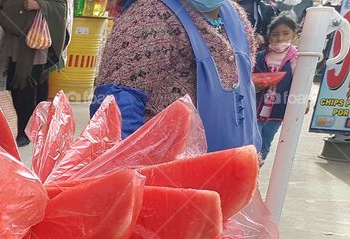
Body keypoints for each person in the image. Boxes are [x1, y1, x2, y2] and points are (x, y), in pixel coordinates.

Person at [93, 0, 259, 151]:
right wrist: (130, 170)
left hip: (233, 167)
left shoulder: (236, 16)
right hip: (169, 172)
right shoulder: (149, 16)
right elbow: (115, 106)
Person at [0, 0, 70, 146]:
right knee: (16, 84)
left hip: (37, 41)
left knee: (30, 85)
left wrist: (40, 4)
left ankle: (26, 131)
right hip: (17, 37)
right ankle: (20, 128)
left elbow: (61, 6)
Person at [255, 13, 298, 160]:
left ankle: (257, 170)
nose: (280, 38)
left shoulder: (297, 59)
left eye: (286, 33)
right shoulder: (260, 57)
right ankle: (247, 171)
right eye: (275, 34)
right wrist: (254, 86)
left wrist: (305, 101)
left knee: (266, 142)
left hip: (277, 111)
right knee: (253, 141)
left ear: (294, 35)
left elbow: (301, 82)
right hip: (256, 109)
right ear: (269, 36)